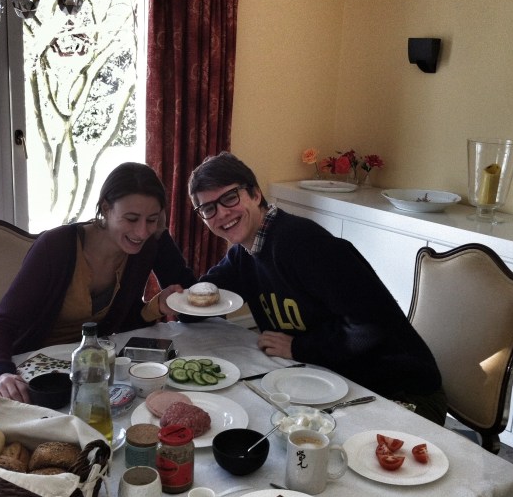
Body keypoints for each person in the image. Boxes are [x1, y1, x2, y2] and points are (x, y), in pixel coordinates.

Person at [187, 152, 447, 425]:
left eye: (229, 197)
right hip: (333, 380)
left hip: (403, 392)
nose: (222, 213)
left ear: (255, 193)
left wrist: (301, 348)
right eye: (208, 209)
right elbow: (195, 303)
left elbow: (371, 329)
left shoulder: (302, 243)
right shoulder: (244, 254)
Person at [0, 162, 196, 402]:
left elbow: (130, 321)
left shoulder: (148, 244)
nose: (142, 232)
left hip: (92, 372)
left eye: (152, 219)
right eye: (131, 219)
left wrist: (157, 307)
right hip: (35, 378)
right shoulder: (55, 247)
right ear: (105, 208)